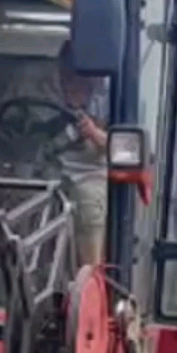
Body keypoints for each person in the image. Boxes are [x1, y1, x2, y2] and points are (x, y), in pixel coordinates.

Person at [54, 38, 109, 267]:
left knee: (87, 200)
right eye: (68, 71)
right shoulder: (44, 89)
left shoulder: (109, 98)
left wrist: (94, 133)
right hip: (44, 170)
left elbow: (124, 147)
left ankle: (89, 279)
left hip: (87, 174)